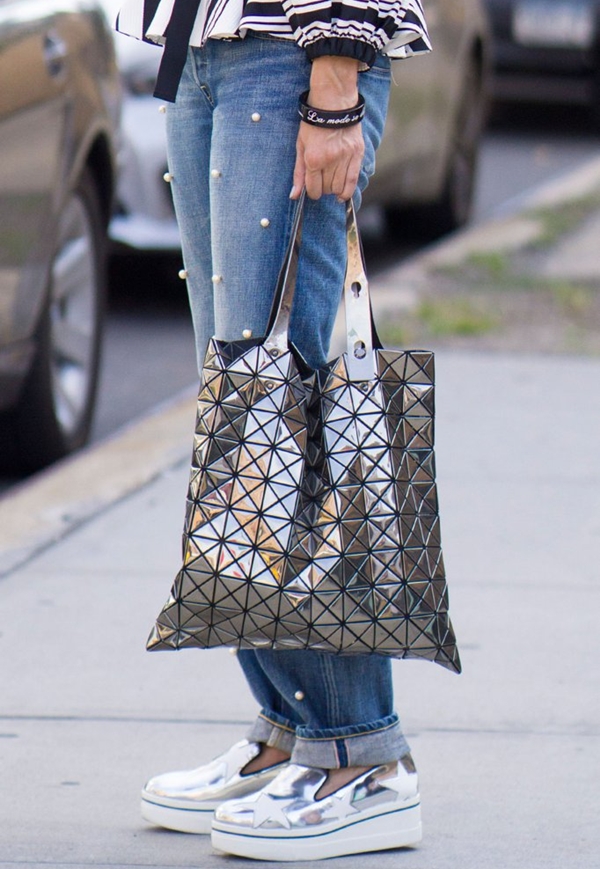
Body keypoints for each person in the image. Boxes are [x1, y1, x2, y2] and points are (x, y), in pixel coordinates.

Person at [115, 0, 431, 860]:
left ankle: (361, 752)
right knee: (239, 419)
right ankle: (293, 725)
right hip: (208, 45)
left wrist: (335, 82)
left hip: (297, 55)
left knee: (279, 419)